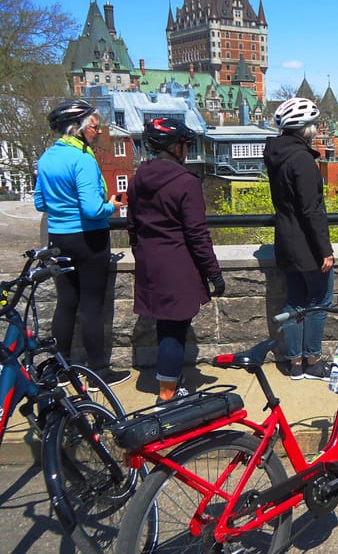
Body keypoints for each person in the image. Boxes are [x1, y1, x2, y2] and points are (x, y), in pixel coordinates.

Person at [127, 118, 225, 405]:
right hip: (177, 265)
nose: (186, 149)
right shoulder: (185, 182)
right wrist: (214, 274)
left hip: (149, 263)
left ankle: (169, 380)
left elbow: (132, 226)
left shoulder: (137, 179)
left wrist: (143, 253)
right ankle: (167, 395)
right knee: (175, 330)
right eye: (184, 144)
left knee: (164, 326)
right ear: (174, 147)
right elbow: (197, 235)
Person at [34, 99, 130, 387]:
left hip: (58, 238)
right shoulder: (83, 160)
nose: (98, 131)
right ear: (77, 128)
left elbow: (41, 202)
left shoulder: (47, 157)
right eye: (94, 125)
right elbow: (91, 209)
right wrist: (111, 207)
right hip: (89, 239)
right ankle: (99, 370)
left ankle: (60, 368)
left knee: (66, 303)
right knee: (90, 306)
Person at [264, 97, 334, 381]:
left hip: (286, 238)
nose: (315, 129)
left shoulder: (276, 154)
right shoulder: (302, 160)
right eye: (312, 124)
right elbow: (311, 210)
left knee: (294, 300)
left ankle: (294, 363)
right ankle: (313, 360)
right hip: (307, 243)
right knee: (319, 299)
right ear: (303, 128)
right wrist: (324, 250)